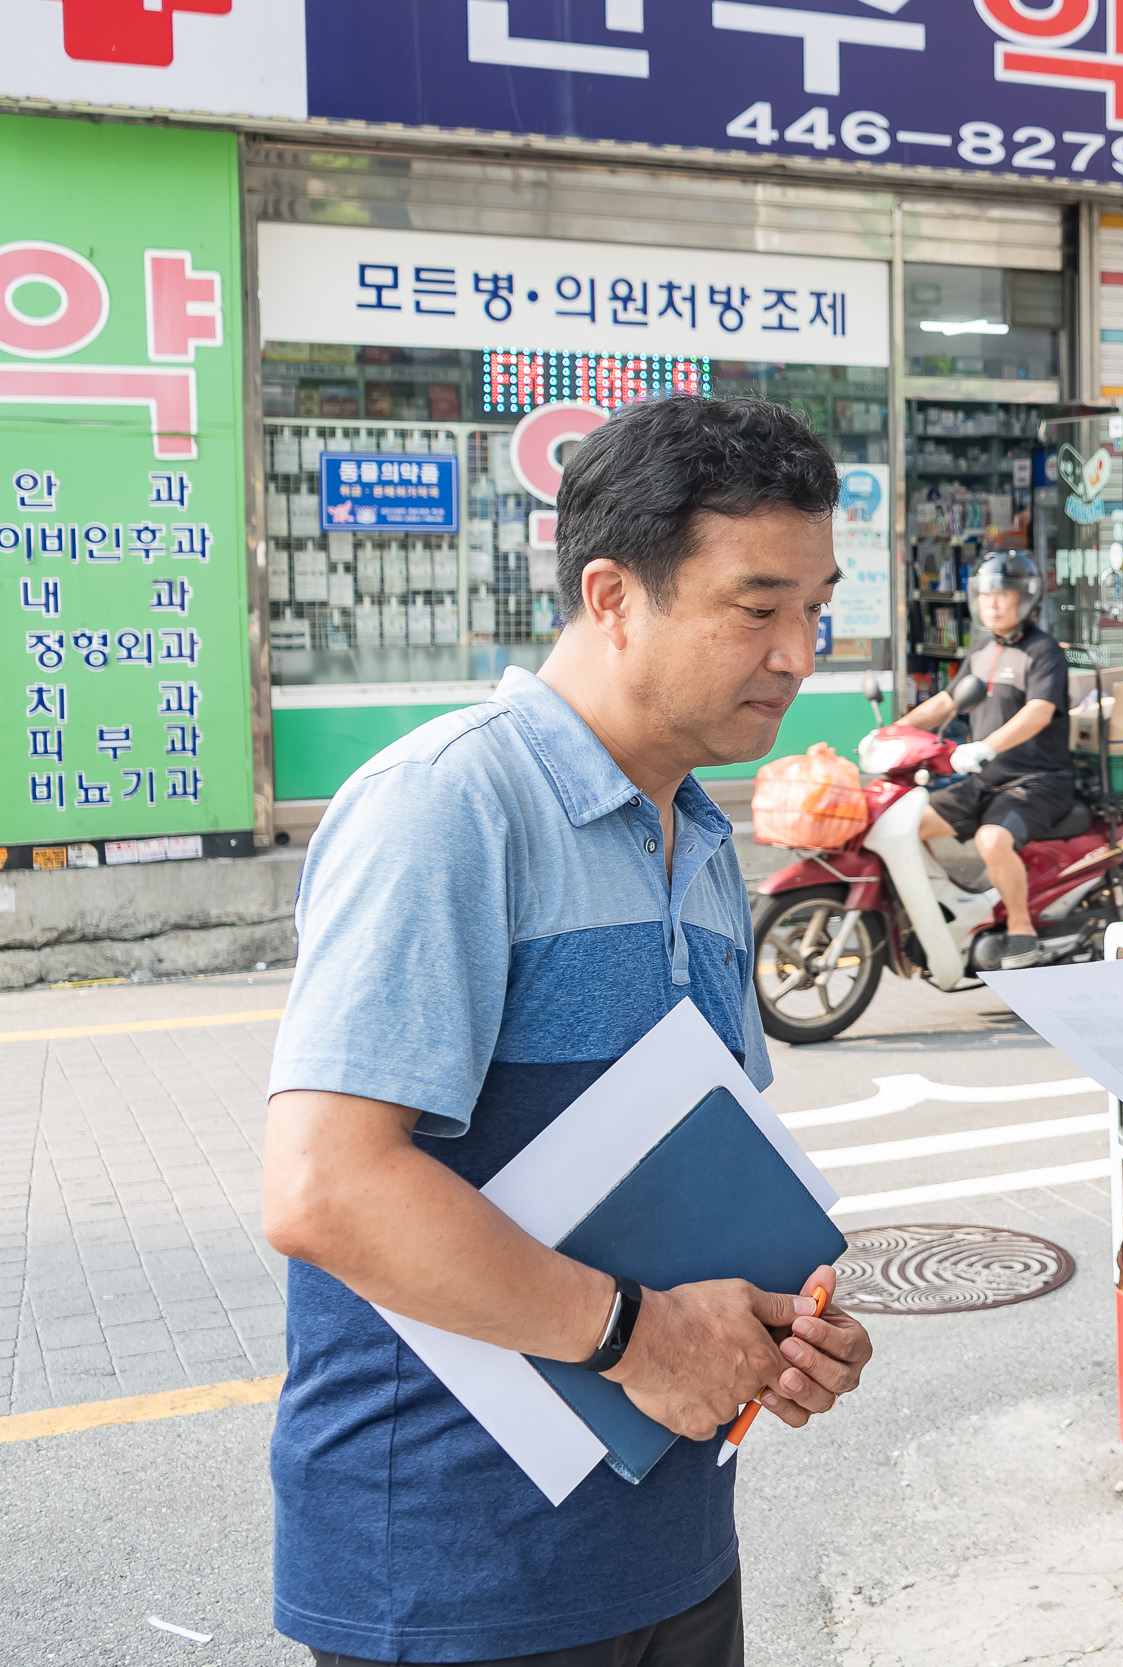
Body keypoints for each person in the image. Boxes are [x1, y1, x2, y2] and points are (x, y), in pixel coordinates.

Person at [261, 395, 875, 1667]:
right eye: (757, 608)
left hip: (668, 1542)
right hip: (450, 1577)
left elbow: (694, 1193)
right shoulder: (447, 805)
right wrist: (640, 1334)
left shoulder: (703, 842)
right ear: (611, 595)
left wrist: (778, 1333)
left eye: (817, 605)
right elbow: (325, 1187)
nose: (799, 651)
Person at [896, 547, 1075, 969]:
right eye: (984, 594)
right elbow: (947, 701)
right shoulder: (982, 648)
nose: (991, 602)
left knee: (990, 839)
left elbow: (1039, 711)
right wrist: (897, 731)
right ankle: (946, 912)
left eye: (1002, 594)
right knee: (908, 823)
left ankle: (1020, 931)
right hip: (984, 779)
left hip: (1037, 781)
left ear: (1026, 597)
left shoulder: (1043, 651)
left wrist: (987, 745)